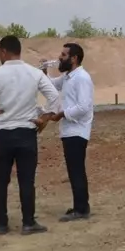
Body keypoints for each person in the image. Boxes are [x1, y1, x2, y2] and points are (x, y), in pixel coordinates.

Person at [0, 35, 60, 236]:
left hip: (2, 133)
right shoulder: (34, 73)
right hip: (26, 132)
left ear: (3, 51)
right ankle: (28, 222)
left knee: (0, 180)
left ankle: (1, 224)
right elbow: (53, 96)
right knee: (27, 180)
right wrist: (44, 117)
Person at [39, 42, 94, 222]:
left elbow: (84, 107)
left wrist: (62, 114)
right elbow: (52, 85)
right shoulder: (69, 77)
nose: (60, 58)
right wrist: (44, 72)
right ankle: (80, 206)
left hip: (77, 130)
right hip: (69, 130)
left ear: (74, 58)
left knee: (76, 170)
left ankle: (82, 208)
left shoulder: (82, 78)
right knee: (73, 170)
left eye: (63, 55)